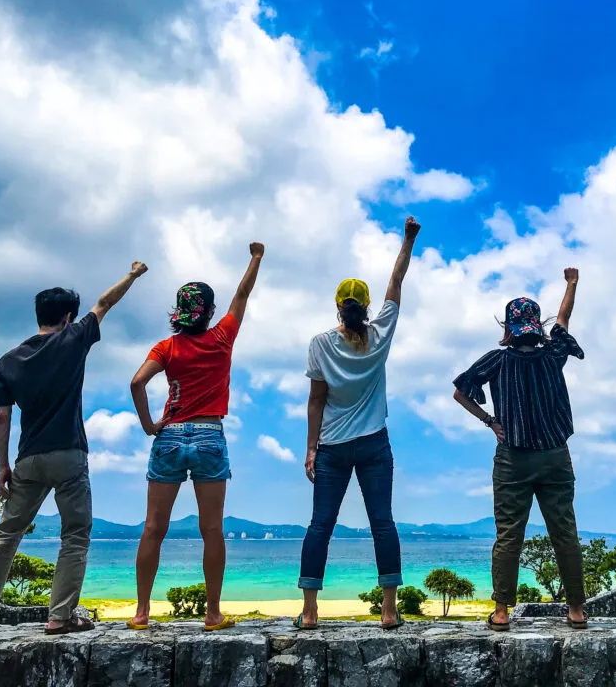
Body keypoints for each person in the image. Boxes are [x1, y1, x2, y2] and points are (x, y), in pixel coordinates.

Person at [0, 262, 148, 635]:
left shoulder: (9, 360)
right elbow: (105, 303)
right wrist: (132, 275)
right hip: (69, 454)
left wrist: (3, 466)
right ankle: (59, 617)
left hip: (27, 459)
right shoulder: (74, 339)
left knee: (5, 535)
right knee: (75, 534)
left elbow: (2, 417)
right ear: (67, 318)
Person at [127, 243, 265, 632]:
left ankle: (140, 614)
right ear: (207, 311)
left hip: (169, 437)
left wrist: (150, 424)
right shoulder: (221, 337)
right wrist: (255, 257)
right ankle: (212, 614)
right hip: (208, 435)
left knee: (154, 527)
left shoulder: (167, 347)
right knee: (212, 530)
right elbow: (242, 295)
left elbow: (138, 382)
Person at [294, 217, 420, 631]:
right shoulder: (380, 333)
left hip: (331, 446)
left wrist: (311, 448)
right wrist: (407, 240)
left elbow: (316, 401)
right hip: (373, 445)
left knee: (321, 526)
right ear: (366, 307)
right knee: (382, 523)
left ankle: (310, 612)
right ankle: (388, 610)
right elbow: (396, 284)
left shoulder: (320, 343)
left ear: (337, 306)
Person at [453, 269, 590, 632]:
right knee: (565, 532)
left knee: (509, 533)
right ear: (536, 326)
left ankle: (501, 611)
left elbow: (460, 391)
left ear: (508, 329)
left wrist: (489, 420)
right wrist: (571, 284)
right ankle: (576, 609)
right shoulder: (553, 354)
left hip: (513, 458)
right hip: (555, 456)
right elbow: (563, 319)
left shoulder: (496, 361)